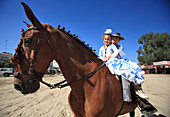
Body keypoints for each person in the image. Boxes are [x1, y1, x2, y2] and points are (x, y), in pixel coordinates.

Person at [98, 29, 149, 99]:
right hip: (105, 62)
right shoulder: (102, 48)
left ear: (118, 40)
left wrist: (109, 57)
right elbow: (100, 56)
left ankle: (133, 93)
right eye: (113, 38)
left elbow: (116, 54)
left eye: (116, 38)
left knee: (126, 73)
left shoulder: (116, 47)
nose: (113, 40)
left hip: (115, 62)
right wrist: (102, 59)